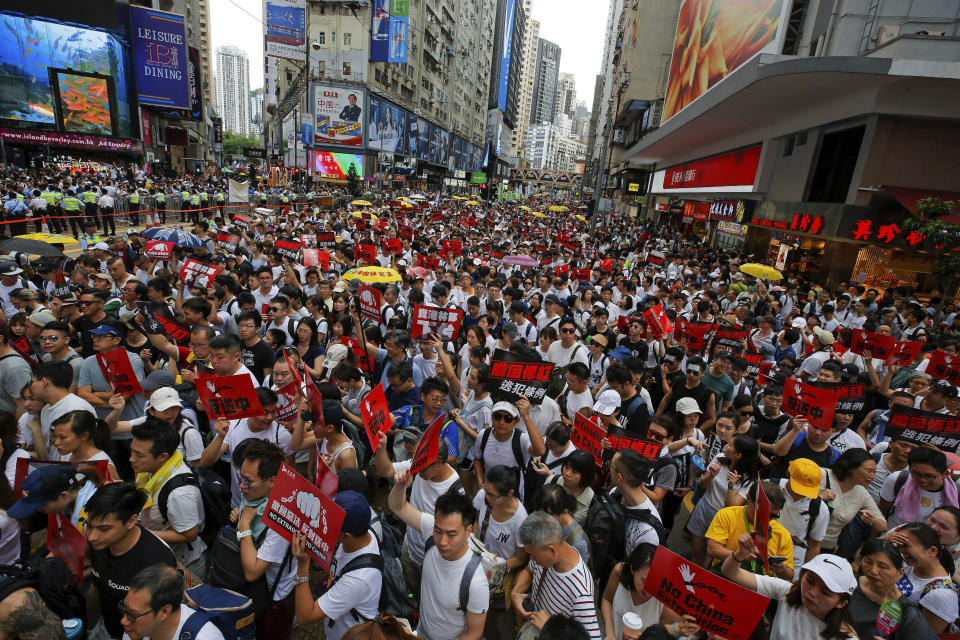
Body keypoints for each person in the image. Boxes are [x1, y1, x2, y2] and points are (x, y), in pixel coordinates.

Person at [387, 470, 489, 640]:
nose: (442, 541)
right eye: (438, 531)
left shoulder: (476, 582)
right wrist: (400, 486)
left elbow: (473, 633)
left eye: (451, 534)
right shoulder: (429, 529)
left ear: (468, 531)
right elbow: (398, 506)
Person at [85, 482, 178, 640]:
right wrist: (89, 625)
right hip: (104, 627)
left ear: (130, 521)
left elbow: (158, 620)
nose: (92, 536)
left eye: (104, 529)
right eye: (89, 526)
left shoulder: (157, 562)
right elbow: (97, 584)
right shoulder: (98, 542)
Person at [722, 533, 857, 640]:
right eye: (809, 580)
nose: (812, 592)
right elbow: (731, 572)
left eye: (825, 592)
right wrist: (741, 552)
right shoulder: (786, 591)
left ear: (841, 603)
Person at [291, 491, 381, 640]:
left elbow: (305, 617)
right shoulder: (364, 531)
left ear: (345, 536)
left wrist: (302, 566)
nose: (322, 524)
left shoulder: (358, 580)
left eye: (329, 525)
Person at [233, 440, 297, 637]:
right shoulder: (254, 495)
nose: (240, 486)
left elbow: (253, 571)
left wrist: (244, 526)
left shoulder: (280, 520)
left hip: (273, 598)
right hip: (252, 590)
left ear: (271, 481)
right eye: (240, 477)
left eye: (248, 481)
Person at [129, 419, 207, 577]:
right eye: (132, 451)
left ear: (162, 457)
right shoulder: (150, 469)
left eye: (138, 455)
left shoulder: (180, 494)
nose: (131, 459)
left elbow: (189, 534)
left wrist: (139, 533)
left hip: (182, 565)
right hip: (157, 555)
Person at [511, 511, 601, 639]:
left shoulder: (581, 593)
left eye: (533, 555)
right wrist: (516, 592)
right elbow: (528, 571)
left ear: (552, 550)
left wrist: (549, 628)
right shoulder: (543, 557)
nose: (532, 559)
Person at [848, 539, 937, 640]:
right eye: (868, 562)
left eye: (883, 566)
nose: (873, 571)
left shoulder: (907, 612)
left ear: (900, 573)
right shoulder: (848, 584)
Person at [705, 481, 795, 579]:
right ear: (748, 498)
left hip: (757, 586)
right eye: (762, 512)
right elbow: (712, 549)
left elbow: (789, 575)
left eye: (773, 515)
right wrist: (740, 555)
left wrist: (780, 567)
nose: (767, 518)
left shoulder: (783, 534)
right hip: (722, 576)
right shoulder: (727, 515)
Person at [600, 543, 690, 640]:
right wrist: (610, 633)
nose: (648, 590)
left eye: (655, 583)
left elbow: (667, 636)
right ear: (632, 569)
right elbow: (607, 600)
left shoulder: (667, 607)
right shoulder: (619, 572)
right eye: (644, 581)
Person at [885, 522, 959, 632]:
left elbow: (924, 635)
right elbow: (862, 559)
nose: (901, 550)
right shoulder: (906, 562)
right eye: (899, 545)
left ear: (932, 551)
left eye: (906, 545)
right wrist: (884, 540)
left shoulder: (941, 595)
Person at [119, 563, 225, 640]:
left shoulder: (205, 637)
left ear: (164, 611)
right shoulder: (134, 630)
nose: (124, 621)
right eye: (124, 609)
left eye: (132, 615)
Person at [879, 446, 959, 529]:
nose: (922, 480)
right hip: (893, 536)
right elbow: (882, 512)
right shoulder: (897, 479)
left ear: (945, 474)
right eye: (917, 474)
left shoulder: (956, 493)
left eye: (929, 476)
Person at [777, 458, 831, 567]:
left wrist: (805, 572)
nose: (801, 493)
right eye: (798, 487)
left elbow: (814, 544)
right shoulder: (768, 487)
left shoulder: (820, 509)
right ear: (788, 474)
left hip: (792, 562)